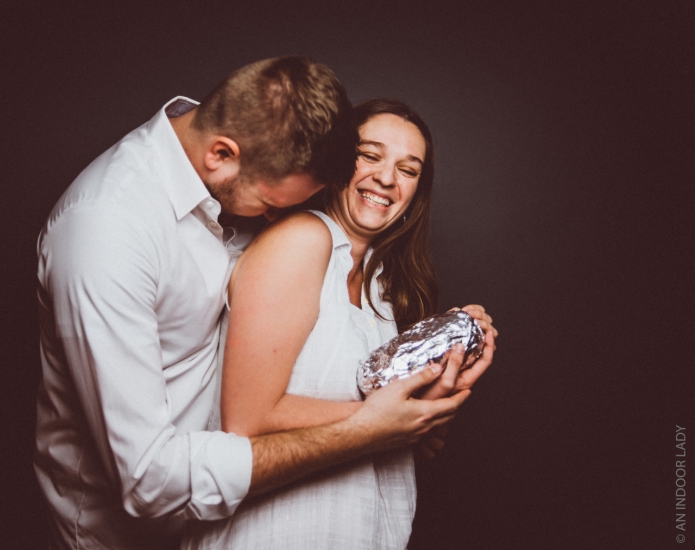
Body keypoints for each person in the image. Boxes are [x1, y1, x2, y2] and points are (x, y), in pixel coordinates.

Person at [34, 58, 482, 550]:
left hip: (207, 514)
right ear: (222, 156)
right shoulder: (106, 233)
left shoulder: (240, 176)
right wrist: (371, 429)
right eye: (272, 207)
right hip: (123, 533)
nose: (276, 220)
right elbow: (150, 479)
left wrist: (420, 405)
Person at [181, 98, 497, 549]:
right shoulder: (302, 240)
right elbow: (245, 419)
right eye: (370, 156)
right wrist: (401, 421)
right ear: (335, 162)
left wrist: (444, 382)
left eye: (408, 170)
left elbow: (388, 422)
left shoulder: (382, 286)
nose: (386, 178)